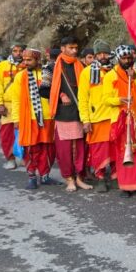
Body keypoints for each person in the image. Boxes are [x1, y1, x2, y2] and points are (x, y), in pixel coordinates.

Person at [102, 45, 136, 196]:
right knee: (125, 152)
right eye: (124, 58)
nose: (127, 61)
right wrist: (119, 100)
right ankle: (126, 186)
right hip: (121, 120)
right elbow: (105, 99)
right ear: (118, 59)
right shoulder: (111, 76)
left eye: (129, 58)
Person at [44, 36, 90, 193]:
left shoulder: (81, 65)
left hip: (79, 112)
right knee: (64, 149)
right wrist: (60, 95)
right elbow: (43, 89)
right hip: (62, 114)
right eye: (71, 48)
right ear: (62, 49)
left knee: (80, 148)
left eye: (76, 48)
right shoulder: (51, 67)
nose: (75, 51)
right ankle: (69, 178)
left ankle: (79, 178)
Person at [10, 49, 59, 190]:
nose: (25, 63)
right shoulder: (20, 77)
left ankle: (45, 176)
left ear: (37, 60)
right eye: (24, 60)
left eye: (29, 60)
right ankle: (32, 176)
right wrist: (16, 119)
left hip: (49, 117)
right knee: (31, 149)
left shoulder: (47, 73)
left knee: (48, 148)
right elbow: (16, 100)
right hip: (30, 119)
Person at [78, 40, 116, 193]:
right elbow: (83, 98)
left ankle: (114, 177)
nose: (102, 56)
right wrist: (85, 120)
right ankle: (100, 177)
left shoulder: (116, 70)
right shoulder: (87, 72)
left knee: (115, 149)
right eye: (98, 54)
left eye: (105, 53)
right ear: (94, 56)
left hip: (114, 117)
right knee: (99, 151)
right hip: (97, 118)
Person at [0, 42, 26, 169]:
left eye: (20, 51)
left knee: (25, 133)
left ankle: (24, 157)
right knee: (6, 135)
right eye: (15, 51)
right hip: (8, 106)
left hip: (24, 105)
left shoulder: (27, 66)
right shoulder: (2, 66)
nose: (18, 53)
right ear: (11, 52)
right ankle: (10, 158)